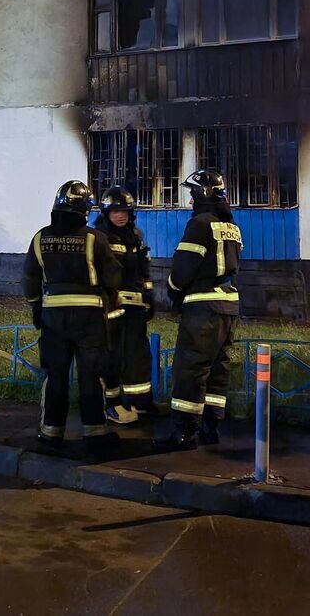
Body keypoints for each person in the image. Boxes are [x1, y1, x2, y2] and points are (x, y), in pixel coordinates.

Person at [23, 180, 122, 452]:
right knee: (91, 375)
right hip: (89, 317)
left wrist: (36, 307)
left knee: (55, 375)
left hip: (53, 317)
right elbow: (113, 276)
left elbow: (30, 277)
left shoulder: (40, 238)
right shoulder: (94, 239)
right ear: (84, 211)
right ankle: (95, 433)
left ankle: (50, 433)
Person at [156, 171, 242, 451]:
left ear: (203, 194)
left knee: (191, 368)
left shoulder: (199, 224)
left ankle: (184, 432)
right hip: (228, 305)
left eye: (193, 193)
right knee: (218, 367)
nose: (191, 198)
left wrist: (172, 290)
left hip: (203, 307)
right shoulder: (232, 227)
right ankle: (210, 427)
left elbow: (183, 268)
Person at [94, 185, 155, 425]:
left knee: (138, 355)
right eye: (115, 211)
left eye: (124, 211)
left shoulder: (136, 237)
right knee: (112, 356)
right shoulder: (99, 237)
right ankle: (112, 404)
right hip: (111, 308)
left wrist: (149, 297)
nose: (120, 215)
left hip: (135, 308)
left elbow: (144, 270)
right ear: (106, 213)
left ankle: (141, 403)